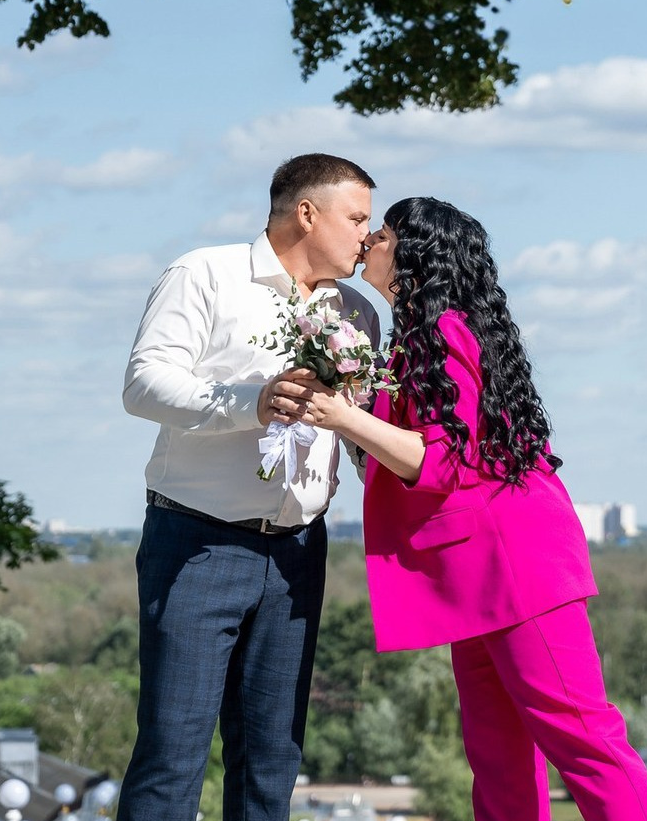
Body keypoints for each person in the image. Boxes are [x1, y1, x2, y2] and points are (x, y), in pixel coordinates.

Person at [274, 196, 647, 821]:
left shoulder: (447, 329)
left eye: (383, 233)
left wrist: (345, 415)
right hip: (478, 574)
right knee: (498, 754)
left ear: (414, 253)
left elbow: (441, 460)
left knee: (584, 737)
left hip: (517, 567)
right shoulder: (419, 337)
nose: (370, 240)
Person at [115, 154, 380, 821]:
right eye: (357, 219)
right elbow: (144, 384)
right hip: (197, 543)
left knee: (273, 763)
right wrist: (251, 401)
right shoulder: (204, 274)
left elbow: (362, 431)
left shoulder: (356, 313)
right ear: (307, 212)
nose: (366, 238)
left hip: (298, 555)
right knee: (172, 757)